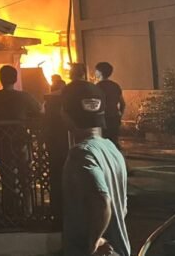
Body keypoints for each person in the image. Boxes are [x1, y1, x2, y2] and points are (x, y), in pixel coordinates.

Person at [61, 78, 129, 256]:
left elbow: (102, 200)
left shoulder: (82, 154)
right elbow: (123, 208)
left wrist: (93, 243)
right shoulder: (110, 148)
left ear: (65, 113)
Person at [0, 66, 43, 215]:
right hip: (20, 141)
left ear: (0, 79)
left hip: (0, 142)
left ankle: (9, 210)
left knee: (6, 176)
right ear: (16, 79)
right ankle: (28, 209)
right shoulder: (24, 97)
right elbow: (39, 111)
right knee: (25, 175)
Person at [95, 62, 126, 149]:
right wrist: (119, 115)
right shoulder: (115, 86)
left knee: (103, 144)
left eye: (96, 71)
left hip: (103, 119)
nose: (95, 73)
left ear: (100, 72)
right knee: (114, 142)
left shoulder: (97, 87)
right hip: (114, 118)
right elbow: (122, 103)